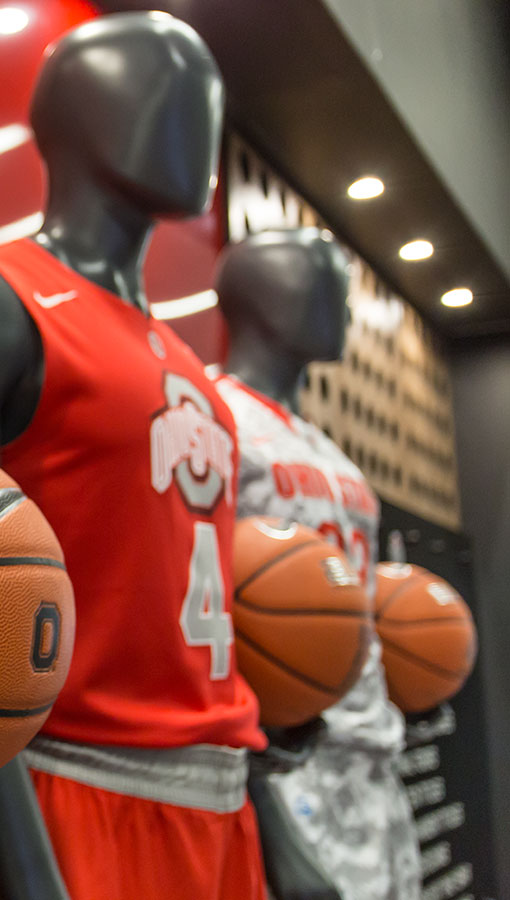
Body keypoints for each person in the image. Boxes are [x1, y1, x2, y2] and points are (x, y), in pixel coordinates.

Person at [0, 12, 269, 899]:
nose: (197, 119)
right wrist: (20, 860)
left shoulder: (197, 377)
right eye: (162, 91)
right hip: (69, 790)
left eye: (205, 98)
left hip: (217, 802)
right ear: (69, 119)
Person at [215, 229, 420, 900]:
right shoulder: (214, 417)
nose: (352, 311)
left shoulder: (333, 452)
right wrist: (260, 795)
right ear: (268, 296)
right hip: (282, 758)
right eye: (332, 286)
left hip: (374, 760)